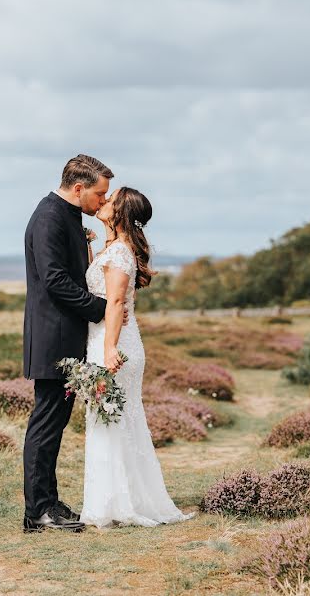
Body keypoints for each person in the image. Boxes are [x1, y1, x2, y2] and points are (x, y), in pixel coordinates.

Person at [22, 154, 127, 533]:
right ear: (79, 188)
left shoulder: (67, 216)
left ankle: (47, 502)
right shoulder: (49, 216)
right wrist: (101, 309)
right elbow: (54, 280)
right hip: (52, 339)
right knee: (46, 423)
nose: (103, 201)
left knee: (56, 422)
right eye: (99, 193)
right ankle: (38, 513)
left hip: (66, 337)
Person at [80, 186, 195, 528]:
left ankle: (114, 504)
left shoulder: (120, 254)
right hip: (108, 339)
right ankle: (116, 500)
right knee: (114, 420)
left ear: (121, 213)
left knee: (110, 419)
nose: (104, 202)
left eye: (111, 200)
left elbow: (115, 303)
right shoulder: (112, 249)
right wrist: (89, 244)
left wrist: (110, 348)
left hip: (113, 345)